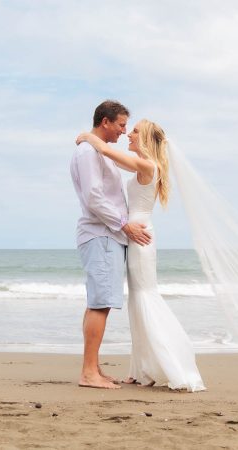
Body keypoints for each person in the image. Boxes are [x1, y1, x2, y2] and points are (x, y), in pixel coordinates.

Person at [76, 119, 206, 392]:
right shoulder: (142, 164)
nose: (128, 134)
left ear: (145, 138)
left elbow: (107, 151)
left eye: (134, 131)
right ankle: (141, 369)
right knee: (137, 300)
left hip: (139, 235)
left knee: (145, 296)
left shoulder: (148, 166)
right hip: (133, 234)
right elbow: (110, 159)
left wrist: (86, 136)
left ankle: (171, 364)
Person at [70, 100, 152, 389]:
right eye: (121, 125)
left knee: (98, 302)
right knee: (100, 303)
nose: (124, 131)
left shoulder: (100, 152)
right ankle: (88, 373)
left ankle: (93, 368)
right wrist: (124, 224)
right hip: (102, 234)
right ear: (105, 121)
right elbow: (94, 198)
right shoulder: (87, 152)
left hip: (107, 235)